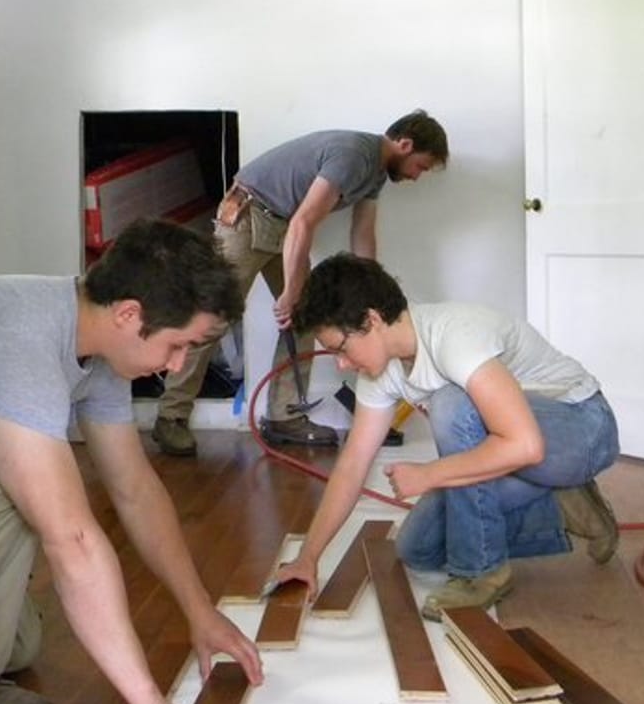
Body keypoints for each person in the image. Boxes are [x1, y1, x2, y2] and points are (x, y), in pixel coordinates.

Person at [0, 218, 263, 704]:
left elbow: (135, 488)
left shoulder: (101, 344)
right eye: (178, 346)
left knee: (22, 647)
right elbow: (72, 538)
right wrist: (147, 702)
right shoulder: (25, 337)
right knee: (19, 489)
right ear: (129, 314)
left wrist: (200, 611)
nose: (178, 366)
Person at [275, 253, 621, 621]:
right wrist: (307, 558)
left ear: (371, 319)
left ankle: (482, 572)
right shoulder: (381, 371)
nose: (341, 364)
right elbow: (352, 465)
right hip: (530, 452)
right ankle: (561, 501)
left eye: (340, 349)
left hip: (583, 431)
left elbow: (526, 445)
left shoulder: (453, 337)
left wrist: (428, 476)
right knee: (416, 548)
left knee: (451, 402)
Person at [152, 110, 449, 455]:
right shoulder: (354, 155)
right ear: (405, 144)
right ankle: (170, 417)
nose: (417, 176)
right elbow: (304, 222)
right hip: (250, 216)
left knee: (306, 317)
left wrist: (372, 290)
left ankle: (283, 417)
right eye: (421, 166)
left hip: (282, 224)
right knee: (212, 316)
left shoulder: (375, 174)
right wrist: (291, 290)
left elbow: (362, 232)